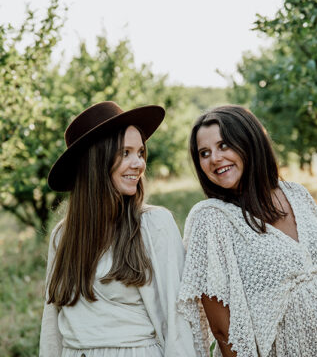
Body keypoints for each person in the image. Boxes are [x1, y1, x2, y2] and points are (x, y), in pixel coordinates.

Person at [177, 105, 317, 357]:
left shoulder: (297, 194)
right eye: (204, 153)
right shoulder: (211, 218)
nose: (214, 159)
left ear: (250, 142)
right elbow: (223, 331)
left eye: (224, 145)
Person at [39, 101, 198, 357]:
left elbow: (177, 318)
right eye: (125, 153)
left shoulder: (154, 224)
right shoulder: (63, 235)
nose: (138, 163)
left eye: (140, 152)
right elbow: (51, 322)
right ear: (96, 161)